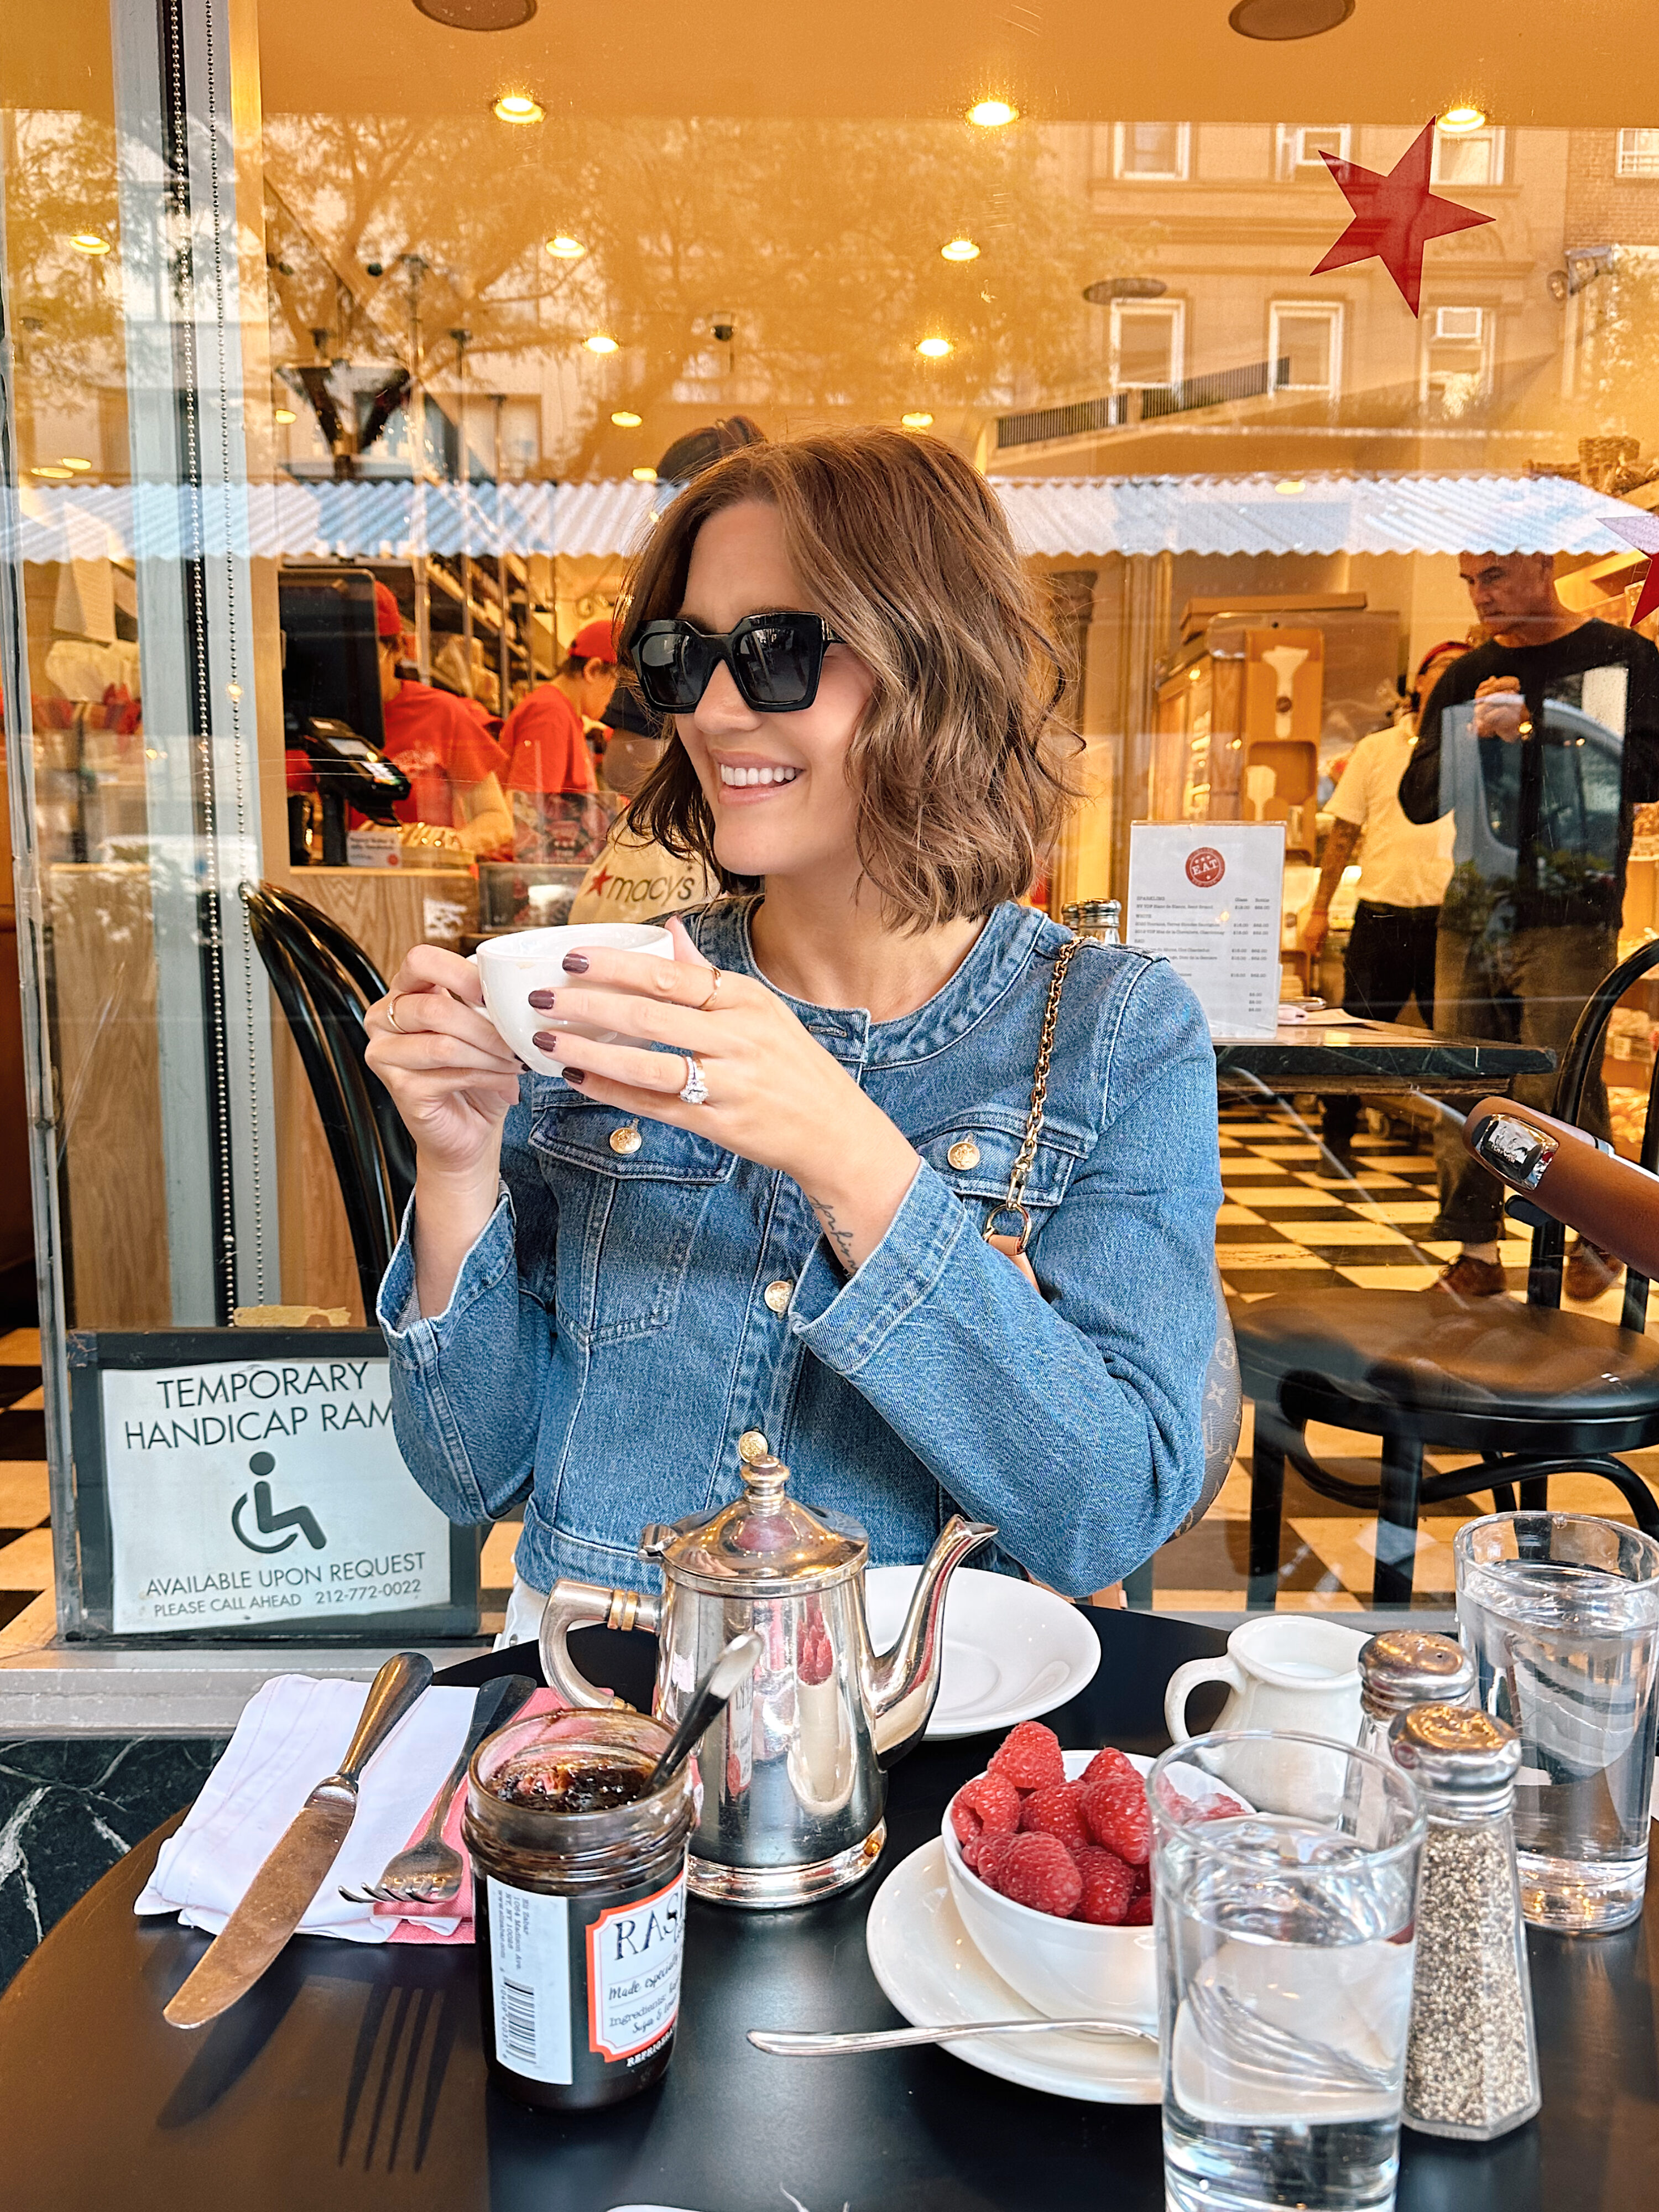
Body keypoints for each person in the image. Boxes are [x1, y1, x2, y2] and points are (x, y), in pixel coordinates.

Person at [364, 429, 1223, 1634]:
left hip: (940, 1726)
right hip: (609, 1717)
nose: (713, 710)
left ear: (933, 661)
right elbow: (471, 1472)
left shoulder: (1110, 1034)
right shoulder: (614, 992)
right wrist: (456, 1172)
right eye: (681, 656)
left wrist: (848, 1153)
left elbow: (1106, 1509)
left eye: (776, 652)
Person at [1398, 551, 1659, 1297]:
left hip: (1572, 904)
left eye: (1496, 577)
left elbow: (1646, 772)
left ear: (1544, 565)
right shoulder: (1462, 676)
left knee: (1563, 1081)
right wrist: (1471, 736)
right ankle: (1478, 1251)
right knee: (1459, 1083)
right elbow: (1419, 800)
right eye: (1470, 582)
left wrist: (1540, 726)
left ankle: (1600, 1234)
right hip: (1474, 905)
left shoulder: (1621, 658)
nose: (1480, 596)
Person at [1298, 640, 1467, 1174]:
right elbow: (1343, 834)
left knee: (1458, 1044)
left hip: (1454, 919)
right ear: (1415, 683)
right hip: (1384, 914)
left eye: (1459, 671)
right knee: (1356, 1034)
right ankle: (1337, 1139)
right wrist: (1319, 910)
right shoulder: (1377, 750)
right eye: (1438, 670)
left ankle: (1462, 1156)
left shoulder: (1480, 743)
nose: (1446, 680)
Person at [371, 582, 512, 857]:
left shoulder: (440, 712)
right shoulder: (309, 719)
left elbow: (497, 821)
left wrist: (439, 846)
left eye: (368, 655)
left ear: (399, 649)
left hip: (427, 883)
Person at [497, 617, 618, 862]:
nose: (617, 697)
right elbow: (527, 814)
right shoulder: (549, 714)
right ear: (593, 670)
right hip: (536, 882)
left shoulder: (566, 715)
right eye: (618, 683)